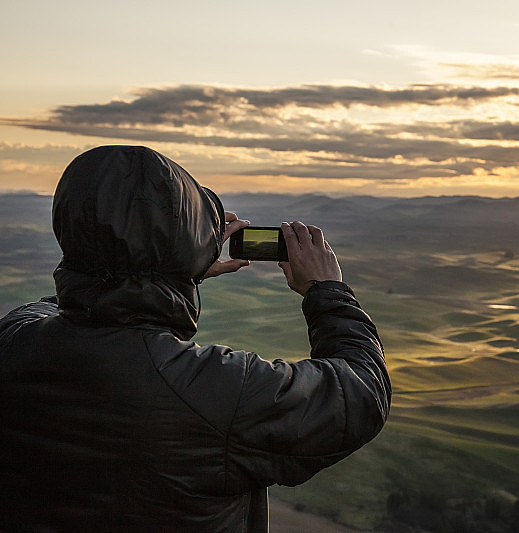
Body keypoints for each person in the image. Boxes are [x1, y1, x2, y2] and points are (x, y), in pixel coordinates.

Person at [0, 145, 391, 531]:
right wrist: (327, 290)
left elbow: (86, 304)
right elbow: (358, 395)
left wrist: (169, 271)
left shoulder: (15, 340)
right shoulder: (217, 392)